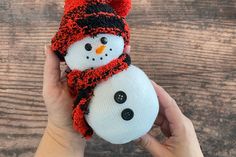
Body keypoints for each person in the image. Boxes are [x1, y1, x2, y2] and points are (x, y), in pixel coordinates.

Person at [35, 45, 204, 157]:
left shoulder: (122, 68)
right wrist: (61, 131)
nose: (100, 49)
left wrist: (61, 133)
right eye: (88, 45)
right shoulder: (83, 85)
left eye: (103, 40)